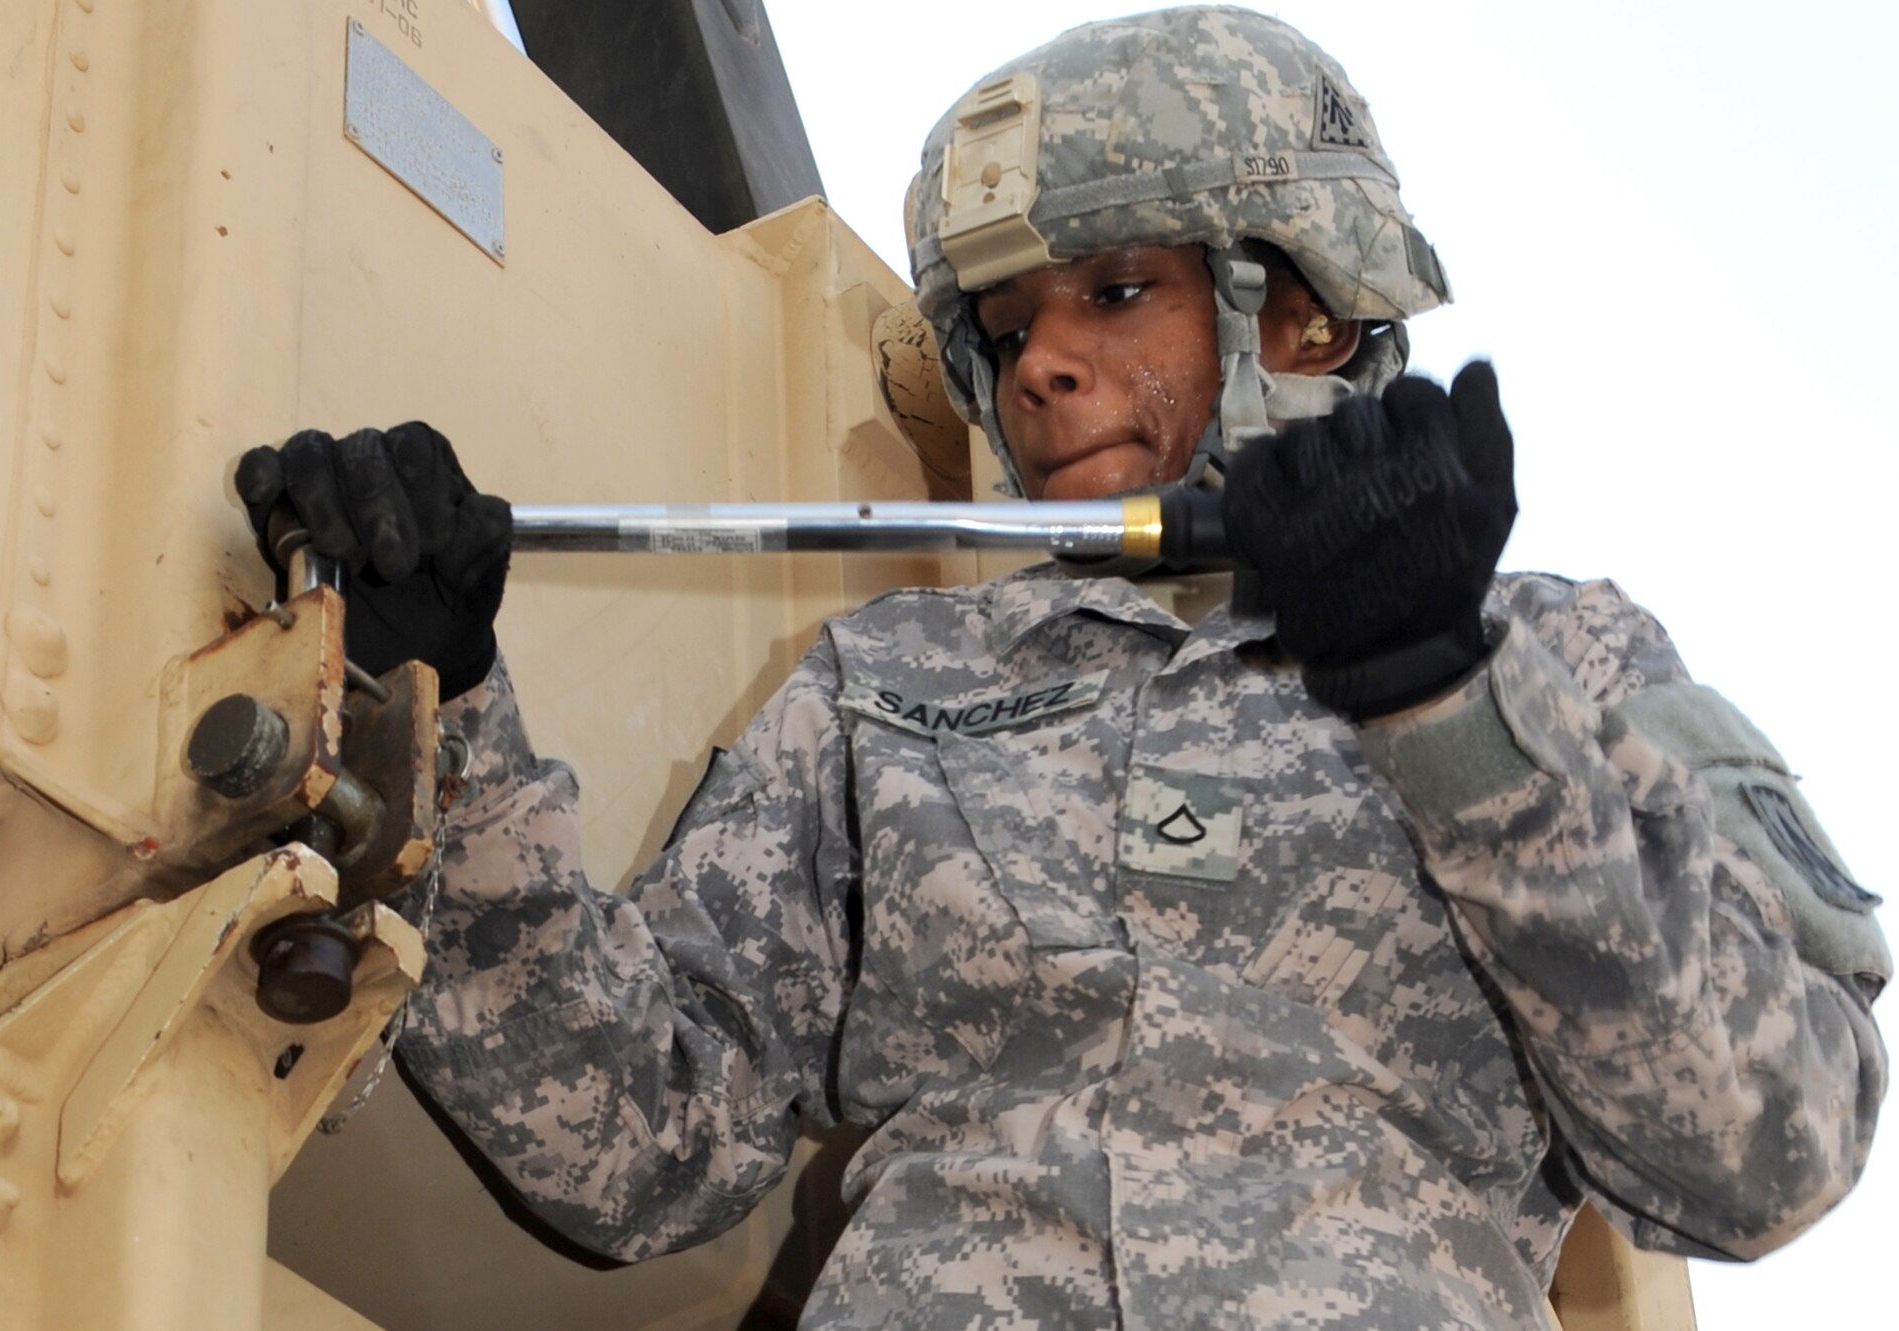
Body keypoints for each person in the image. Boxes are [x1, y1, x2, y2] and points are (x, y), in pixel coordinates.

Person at [234, 8, 1888, 1328]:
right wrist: (445, 700)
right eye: (1010, 330)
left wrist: (1441, 700)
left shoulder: (1565, 655)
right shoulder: (887, 681)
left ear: (1304, 313)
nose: (1042, 369)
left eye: (1112, 293)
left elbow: (1768, 1156)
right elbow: (635, 1143)